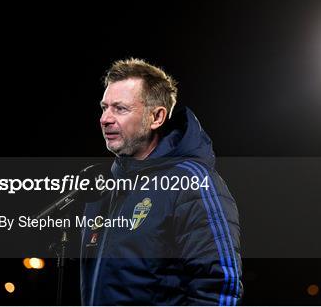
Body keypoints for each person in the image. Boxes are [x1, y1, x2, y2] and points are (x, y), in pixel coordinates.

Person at [80, 58, 243, 306]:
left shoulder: (193, 183)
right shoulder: (105, 188)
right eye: (104, 107)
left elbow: (219, 290)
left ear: (156, 117)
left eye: (120, 109)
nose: (105, 118)